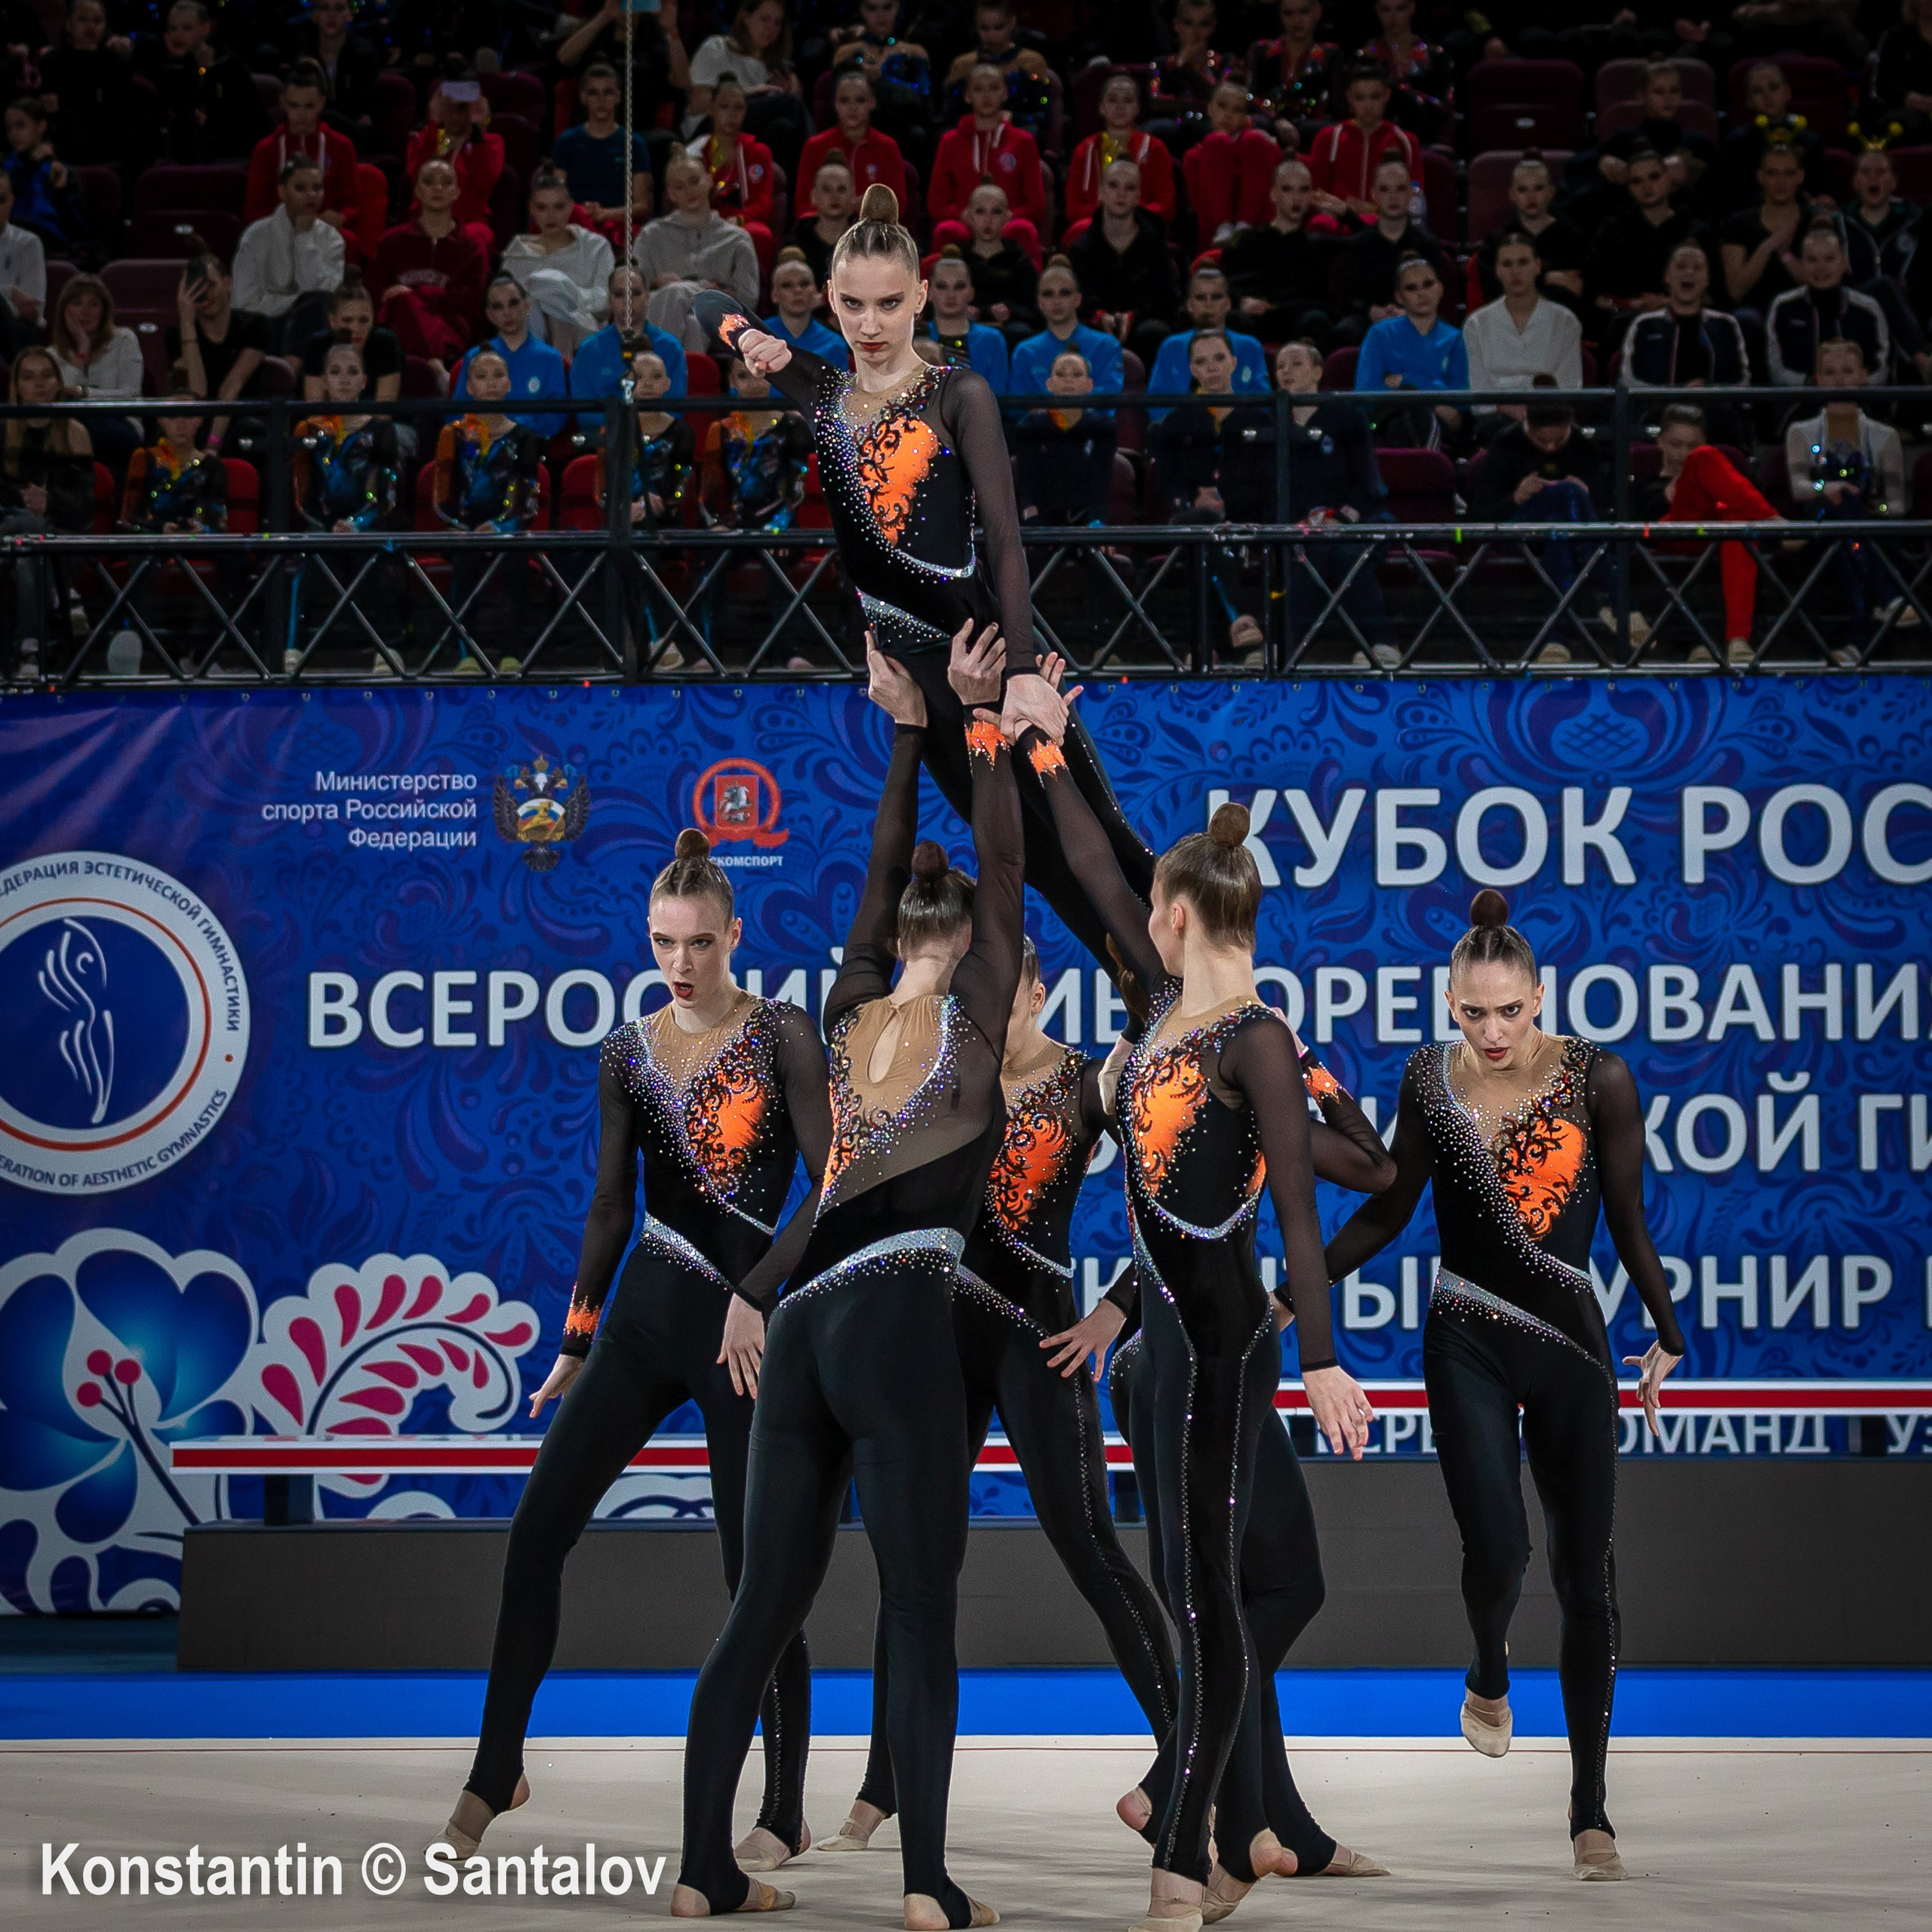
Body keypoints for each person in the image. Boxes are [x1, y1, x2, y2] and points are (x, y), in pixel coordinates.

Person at [671, 629, 1024, 1928]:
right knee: (920, 1610)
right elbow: (1003, 863)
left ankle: (705, 1872)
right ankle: (928, 1885)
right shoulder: (982, 1017)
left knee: (761, 1610)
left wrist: (908, 732)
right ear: (990, 949)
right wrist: (980, 726)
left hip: (802, 1324)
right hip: (891, 1316)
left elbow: (885, 874)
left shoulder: (849, 1003)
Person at [1022, 760, 1374, 1932]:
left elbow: (1317, 1200)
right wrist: (1037, 746)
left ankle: (1211, 1844)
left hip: (1216, 1362)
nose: (1139, 928)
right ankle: (1192, 1857)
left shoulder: (1246, 1038)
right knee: (1212, 1605)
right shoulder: (1188, 1021)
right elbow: (1087, 865)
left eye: (1151, 915)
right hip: (1193, 1360)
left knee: (1229, 1597)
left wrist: (1314, 1351)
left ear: (1177, 917)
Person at [441, 832, 827, 1877]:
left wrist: (760, 1295)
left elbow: (833, 1190)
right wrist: (576, 1338)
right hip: (646, 1320)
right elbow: (613, 1202)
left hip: (743, 1340)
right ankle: (496, 1765)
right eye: (664, 942)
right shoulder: (627, 1051)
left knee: (760, 1577)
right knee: (538, 1530)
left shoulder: (786, 1033)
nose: (682, 962)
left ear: (735, 936)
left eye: (700, 942)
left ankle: (785, 1808)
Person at [1324, 891, 1688, 1882]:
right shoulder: (1428, 1084)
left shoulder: (1598, 1079)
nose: (1491, 1032)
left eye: (1509, 1012)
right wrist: (1295, 1292)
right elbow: (1389, 1213)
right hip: (1465, 1337)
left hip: (1571, 1345)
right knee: (1499, 1548)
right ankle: (1488, 1666)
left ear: (1539, 997)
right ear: (1450, 1004)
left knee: (1585, 1578)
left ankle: (1591, 1809)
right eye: (1472, 1013)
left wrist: (1668, 1330)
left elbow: (1626, 1218)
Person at [696, 186, 1152, 973]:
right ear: (831, 301)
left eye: (888, 304)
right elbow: (704, 301)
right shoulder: (822, 391)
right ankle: (1139, 994)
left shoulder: (957, 393)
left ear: (919, 300)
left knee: (1099, 836)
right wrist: (750, 340)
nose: (869, 326)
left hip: (978, 643)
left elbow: (1006, 542)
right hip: (919, 675)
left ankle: (1195, 991)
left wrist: (1017, 675)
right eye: (852, 305)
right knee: (1027, 857)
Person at [818, 922, 1177, 1860]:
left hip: (1037, 1337)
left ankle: (1188, 1754)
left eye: (997, 996)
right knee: (914, 1563)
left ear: (1037, 993)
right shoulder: (944, 1069)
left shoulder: (1087, 1081)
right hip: (938, 1336)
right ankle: (878, 1787)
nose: (975, 1012)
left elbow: (1173, 1201)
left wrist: (1116, 1311)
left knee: (1090, 1543)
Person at [1152, 330, 1279, 659]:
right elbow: (1166, 481)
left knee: (1204, 541)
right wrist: (1194, 501)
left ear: (1234, 363)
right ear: (1192, 369)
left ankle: (1207, 648)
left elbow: (1270, 481)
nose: (1211, 367)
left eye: (1219, 358)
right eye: (1201, 361)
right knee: (1198, 528)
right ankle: (1243, 626)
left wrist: (1227, 503)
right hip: (1190, 519)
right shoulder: (1176, 422)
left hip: (1247, 518)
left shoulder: (1261, 418)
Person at [1273, 336, 1394, 664]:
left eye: (1296, 364)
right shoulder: (1271, 422)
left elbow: (1367, 481)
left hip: (1355, 518)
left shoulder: (1347, 417)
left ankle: (1380, 645)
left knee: (1345, 550)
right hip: (1298, 524)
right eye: (1280, 366)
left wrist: (1340, 518)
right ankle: (1288, 650)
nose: (1286, 372)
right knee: (1308, 550)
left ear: (1317, 372)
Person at [1784, 337, 1907, 657]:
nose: (1839, 380)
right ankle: (1885, 597)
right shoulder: (1801, 431)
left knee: (1849, 539)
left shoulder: (1885, 436)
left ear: (1863, 376)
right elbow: (1799, 488)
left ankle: (1855, 646)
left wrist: (1876, 507)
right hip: (1820, 522)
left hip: (1864, 527)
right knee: (1840, 506)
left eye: (1848, 371)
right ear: (1819, 379)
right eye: (1830, 372)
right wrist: (1826, 488)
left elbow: (1896, 505)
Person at [1632, 401, 1780, 666]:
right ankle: (1775, 521)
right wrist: (1671, 491)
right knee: (1705, 461)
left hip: (1712, 533)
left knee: (1737, 522)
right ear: (1660, 442)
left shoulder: (1713, 472)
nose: (1683, 453)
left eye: (1692, 446)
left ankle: (1737, 640)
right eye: (1676, 444)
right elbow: (1638, 521)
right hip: (1668, 533)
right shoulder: (1644, 481)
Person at [431, 348, 548, 675]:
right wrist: (460, 526)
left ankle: (513, 652)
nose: (491, 383)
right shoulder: (452, 436)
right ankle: (466, 652)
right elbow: (443, 496)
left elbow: (528, 500)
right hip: (465, 526)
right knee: (465, 560)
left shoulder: (525, 437)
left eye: (498, 376)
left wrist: (499, 527)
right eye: (482, 377)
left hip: (509, 526)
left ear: (510, 383)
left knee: (515, 562)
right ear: (469, 387)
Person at [288, 340, 403, 671]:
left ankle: (386, 649)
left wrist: (356, 524)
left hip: (366, 526)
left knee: (372, 561)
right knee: (310, 560)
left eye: (352, 372)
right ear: (323, 380)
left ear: (364, 381)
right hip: (323, 528)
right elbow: (302, 493)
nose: (344, 379)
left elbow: (387, 494)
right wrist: (327, 527)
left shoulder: (382, 430)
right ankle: (292, 649)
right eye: (335, 372)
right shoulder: (307, 430)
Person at [0, 345, 92, 683]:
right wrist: (27, 499)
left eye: (46, 376)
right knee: (27, 536)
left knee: (29, 551)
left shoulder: (76, 433)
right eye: (28, 377)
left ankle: (29, 649)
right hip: (8, 529)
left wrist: (50, 504)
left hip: (63, 534)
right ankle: (61, 597)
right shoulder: (3, 428)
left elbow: (83, 507)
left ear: (57, 382)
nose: (38, 385)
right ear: (17, 386)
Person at [1621, 242, 1751, 446]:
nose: (1689, 272)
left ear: (1707, 279)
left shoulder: (1726, 325)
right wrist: (1677, 395)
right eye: (1681, 266)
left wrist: (1708, 391)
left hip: (1714, 417)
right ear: (1667, 276)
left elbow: (1742, 382)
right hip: (1658, 416)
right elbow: (1630, 382)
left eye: (1698, 268)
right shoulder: (1644, 325)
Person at [371, 156, 490, 377]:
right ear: (417, 190)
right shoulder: (392, 241)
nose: (438, 188)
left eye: (446, 182)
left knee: (403, 299)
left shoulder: (472, 246)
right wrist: (419, 300)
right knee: (400, 304)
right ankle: (436, 370)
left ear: (457, 192)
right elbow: (376, 292)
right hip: (396, 331)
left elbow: (470, 301)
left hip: (451, 333)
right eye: (429, 182)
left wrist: (416, 294)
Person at [634, 149, 761, 349]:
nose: (689, 191)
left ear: (709, 181)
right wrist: (656, 281)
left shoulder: (737, 238)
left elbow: (749, 299)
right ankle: (682, 376)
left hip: (719, 318)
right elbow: (634, 292)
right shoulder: (651, 235)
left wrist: (716, 293)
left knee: (684, 301)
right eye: (679, 186)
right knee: (692, 324)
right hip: (663, 310)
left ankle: (658, 369)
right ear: (671, 194)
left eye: (694, 181)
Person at [1584, 149, 1713, 343]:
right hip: (1625, 315)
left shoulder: (1695, 230)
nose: (1647, 187)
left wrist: (1669, 302)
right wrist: (1630, 304)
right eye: (1636, 181)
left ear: (1670, 179)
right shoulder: (1612, 229)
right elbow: (1593, 289)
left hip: (1685, 313)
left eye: (1654, 177)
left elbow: (1716, 293)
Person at [1066, 159, 1181, 372]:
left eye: (1130, 188)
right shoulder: (1081, 249)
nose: (1121, 194)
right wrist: (1099, 316)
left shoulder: (1155, 242)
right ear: (1100, 191)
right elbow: (1076, 298)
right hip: (1097, 325)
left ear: (1138, 196)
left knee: (1154, 332)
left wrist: (1134, 316)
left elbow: (1167, 298)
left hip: (1144, 327)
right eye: (1113, 185)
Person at [929, 63, 1045, 261]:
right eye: (978, 89)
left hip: (1008, 221)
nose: (986, 96)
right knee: (946, 231)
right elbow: (935, 203)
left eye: (994, 88)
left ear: (1005, 93)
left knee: (1023, 229)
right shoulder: (951, 142)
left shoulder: (1023, 141)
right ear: (968, 96)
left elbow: (1036, 205)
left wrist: (1005, 216)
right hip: (964, 222)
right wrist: (963, 215)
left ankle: (1033, 289)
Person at [554, 5, 691, 172]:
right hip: (592, 129)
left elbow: (682, 82)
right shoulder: (595, 34)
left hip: (639, 135)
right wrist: (604, 15)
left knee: (670, 144)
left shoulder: (654, 40)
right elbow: (564, 58)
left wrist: (671, 31)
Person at [1463, 232, 1585, 417]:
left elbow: (1570, 389)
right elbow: (1478, 396)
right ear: (1497, 270)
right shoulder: (1476, 324)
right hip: (1496, 420)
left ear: (1537, 266)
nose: (1515, 272)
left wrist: (1536, 415)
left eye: (1523, 262)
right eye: (1507, 264)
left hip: (1550, 417)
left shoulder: (1565, 322)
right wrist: (1513, 411)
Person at [685, 0, 807, 180]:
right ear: (746, 17)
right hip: (710, 127)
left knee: (784, 128)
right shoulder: (718, 47)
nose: (771, 28)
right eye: (765, 19)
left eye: (777, 23)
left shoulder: (774, 67)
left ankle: (779, 198)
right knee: (791, 103)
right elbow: (699, 103)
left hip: (751, 133)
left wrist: (791, 90)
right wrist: (749, 93)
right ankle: (812, 178)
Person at [134, 0, 267, 163]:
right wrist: (180, 64)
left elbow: (251, 120)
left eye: (186, 28)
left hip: (230, 149)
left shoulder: (231, 67)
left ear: (205, 29)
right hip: (185, 152)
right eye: (173, 29)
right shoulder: (166, 67)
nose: (178, 35)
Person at [232, 157, 344, 352]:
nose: (311, 195)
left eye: (317, 188)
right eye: (300, 188)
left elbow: (325, 296)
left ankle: (295, 369)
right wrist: (294, 306)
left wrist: (304, 239)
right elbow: (243, 300)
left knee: (319, 305)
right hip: (264, 324)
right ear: (282, 191)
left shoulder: (331, 238)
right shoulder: (256, 234)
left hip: (312, 326)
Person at [1222, 158, 1334, 347]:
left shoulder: (1316, 246)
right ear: (1273, 194)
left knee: (1317, 321)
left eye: (1304, 190)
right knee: (1233, 320)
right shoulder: (1248, 240)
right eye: (1287, 189)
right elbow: (1223, 285)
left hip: (1296, 321)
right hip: (1253, 319)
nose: (1296, 198)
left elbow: (1323, 301)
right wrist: (1241, 301)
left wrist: (1346, 212)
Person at [242, 59, 360, 237]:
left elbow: (352, 203)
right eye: (294, 105)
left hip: (326, 233)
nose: (301, 115)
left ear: (321, 103)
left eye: (309, 106)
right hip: (278, 233)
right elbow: (254, 207)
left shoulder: (341, 146)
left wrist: (340, 217)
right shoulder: (266, 149)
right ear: (283, 102)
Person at [503, 168, 615, 356]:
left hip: (583, 331)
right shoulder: (517, 253)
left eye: (558, 207)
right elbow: (506, 304)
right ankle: (554, 362)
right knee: (532, 301)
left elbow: (605, 299)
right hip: (529, 329)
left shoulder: (595, 247)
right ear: (531, 209)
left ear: (571, 207)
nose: (550, 215)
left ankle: (556, 361)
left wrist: (562, 292)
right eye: (542, 208)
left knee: (546, 283)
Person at [1355, 254, 1465, 443]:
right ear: (1399, 297)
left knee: (1417, 417)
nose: (1421, 293)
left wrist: (1406, 381)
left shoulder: (1455, 339)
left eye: (1428, 284)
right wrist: (1433, 395)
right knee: (1402, 422)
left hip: (1439, 426)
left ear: (1440, 289)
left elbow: (1458, 408)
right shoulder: (1379, 334)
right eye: (1411, 288)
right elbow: (1367, 394)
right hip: (1383, 422)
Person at [1340, 155, 1451, 339]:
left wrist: (1409, 312)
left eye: (1400, 189)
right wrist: (1372, 311)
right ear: (1374, 194)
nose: (1393, 197)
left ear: (1410, 193)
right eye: (1384, 189)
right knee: (1345, 332)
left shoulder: (1427, 245)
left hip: (1418, 317)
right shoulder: (1358, 245)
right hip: (1369, 320)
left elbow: (1437, 295)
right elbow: (1347, 298)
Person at [1767, 222, 1891, 384]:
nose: (1821, 267)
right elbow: (1776, 370)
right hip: (1801, 400)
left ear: (1844, 262)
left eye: (1830, 259)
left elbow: (1881, 369)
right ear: (1802, 264)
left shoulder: (1868, 307)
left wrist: (1850, 386)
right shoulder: (1783, 306)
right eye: (1812, 260)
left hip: (1859, 399)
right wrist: (1812, 383)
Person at [173, 244, 267, 452]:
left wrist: (212, 445)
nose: (205, 295)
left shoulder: (254, 326)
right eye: (196, 288)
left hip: (240, 415)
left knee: (248, 430)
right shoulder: (175, 334)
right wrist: (187, 323)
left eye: (211, 285)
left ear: (227, 284)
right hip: (197, 418)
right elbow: (198, 392)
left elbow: (232, 387)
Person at [454, 275, 571, 442]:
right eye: (498, 307)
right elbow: (458, 411)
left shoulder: (550, 358)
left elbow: (556, 416)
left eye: (513, 303)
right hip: (480, 446)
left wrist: (513, 428)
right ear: (490, 315)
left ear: (527, 306)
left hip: (530, 447)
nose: (507, 312)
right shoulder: (474, 356)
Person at [549, 60, 653, 244]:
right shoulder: (566, 142)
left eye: (608, 92)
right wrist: (582, 212)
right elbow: (558, 196)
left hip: (617, 226)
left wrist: (604, 214)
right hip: (574, 225)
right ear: (583, 97)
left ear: (618, 96)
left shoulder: (635, 144)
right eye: (593, 93)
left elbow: (641, 205)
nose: (601, 100)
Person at [1469, 155, 1586, 316]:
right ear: (1512, 195)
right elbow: (1496, 290)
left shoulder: (1573, 238)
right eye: (1523, 189)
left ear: (1551, 192)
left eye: (1538, 188)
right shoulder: (1497, 243)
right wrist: (1548, 278)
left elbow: (1575, 292)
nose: (1531, 196)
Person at [1064, 70, 1177, 235]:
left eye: (1128, 100)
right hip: (1094, 227)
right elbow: (1073, 209)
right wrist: (1102, 210)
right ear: (1102, 107)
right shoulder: (1085, 150)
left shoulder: (1155, 148)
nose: (1120, 106)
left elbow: (1166, 206)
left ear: (1138, 107)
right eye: (1112, 100)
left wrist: (1132, 210)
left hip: (1141, 226)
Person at [405, 72, 503, 259]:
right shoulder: (423, 140)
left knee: (474, 239)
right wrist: (435, 124)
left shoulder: (490, 143)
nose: (458, 112)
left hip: (470, 223)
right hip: (425, 221)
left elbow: (483, 183)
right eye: (449, 106)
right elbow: (422, 178)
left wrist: (477, 131)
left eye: (464, 106)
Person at [49, 272, 141, 471]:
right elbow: (59, 400)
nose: (85, 311)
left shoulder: (124, 340)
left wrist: (84, 393)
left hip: (122, 425)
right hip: (71, 430)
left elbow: (130, 394)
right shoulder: (52, 355)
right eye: (77, 303)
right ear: (64, 310)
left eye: (94, 304)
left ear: (104, 310)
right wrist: (83, 349)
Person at [1013, 353, 1117, 528]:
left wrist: (1096, 524)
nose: (1069, 380)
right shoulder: (1029, 426)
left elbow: (1101, 484)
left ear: (1089, 385)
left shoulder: (1104, 427)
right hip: (1044, 525)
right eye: (1061, 374)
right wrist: (1034, 525)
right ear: (1049, 384)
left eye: (1076, 375)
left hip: (1087, 524)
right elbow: (1029, 486)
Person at [1306, 65, 1420, 223]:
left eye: (1375, 97)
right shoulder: (1329, 138)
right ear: (1349, 98)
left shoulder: (1405, 141)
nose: (1368, 105)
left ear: (1387, 96)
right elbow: (1313, 192)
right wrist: (1343, 209)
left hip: (1386, 222)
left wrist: (1372, 209)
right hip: (1337, 220)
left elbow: (1415, 196)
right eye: (1360, 98)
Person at [1146, 267, 1269, 413]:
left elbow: (1264, 403)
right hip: (1182, 431)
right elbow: (1156, 403)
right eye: (1200, 298)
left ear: (1228, 304)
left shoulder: (1250, 347)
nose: (1208, 304)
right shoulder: (1171, 347)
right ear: (1189, 305)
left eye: (1216, 297)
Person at [571, 263, 690, 411]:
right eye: (620, 294)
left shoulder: (671, 347)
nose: (628, 302)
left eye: (636, 293)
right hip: (604, 432)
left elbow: (675, 407)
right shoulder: (588, 350)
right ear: (609, 300)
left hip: (657, 432)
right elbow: (584, 411)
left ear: (647, 297)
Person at [38, 0, 139, 170]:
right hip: (65, 138)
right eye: (83, 20)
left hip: (107, 138)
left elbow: (119, 109)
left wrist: (67, 102)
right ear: (69, 25)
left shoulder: (118, 64)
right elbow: (50, 106)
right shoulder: (51, 62)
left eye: (98, 21)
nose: (91, 26)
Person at [1717, 62, 1828, 211]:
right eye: (1758, 91)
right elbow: (1730, 195)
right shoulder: (1738, 141)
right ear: (1749, 100)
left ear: (1787, 92)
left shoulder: (1810, 141)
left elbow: (1821, 191)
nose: (1767, 96)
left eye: (1774, 87)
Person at [1008, 258, 1124, 398]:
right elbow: (1018, 406)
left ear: (1078, 299)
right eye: (1048, 294)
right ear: (1039, 302)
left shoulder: (1107, 345)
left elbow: (1109, 396)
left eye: (1065, 293)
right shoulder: (1024, 352)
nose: (1056, 301)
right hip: (1040, 421)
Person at [1719, 144, 1810, 317]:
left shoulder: (1813, 221)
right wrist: (1769, 245)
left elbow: (1817, 284)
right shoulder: (1739, 223)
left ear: (1800, 176)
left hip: (1802, 309)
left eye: (1789, 173)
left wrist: (1785, 253)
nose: (1780, 182)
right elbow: (1735, 291)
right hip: (1754, 313)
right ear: (1760, 176)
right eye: (1772, 173)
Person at [700, 75, 778, 280]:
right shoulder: (698, 152)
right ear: (712, 109)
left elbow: (764, 202)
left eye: (739, 108)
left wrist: (740, 219)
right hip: (706, 221)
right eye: (724, 107)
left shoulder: (759, 152)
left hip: (744, 221)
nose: (732, 115)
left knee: (761, 236)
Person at [1185, 83, 1281, 244]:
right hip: (1214, 238)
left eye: (1237, 110)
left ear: (1245, 118)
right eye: (1222, 106)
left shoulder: (1260, 144)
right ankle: (1224, 228)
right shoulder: (1194, 156)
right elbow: (1199, 207)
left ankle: (1244, 228)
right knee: (1217, 142)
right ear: (1210, 108)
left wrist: (1268, 144)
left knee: (1253, 141)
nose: (1228, 115)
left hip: (1258, 235)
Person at [798, 67, 909, 208]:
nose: (852, 108)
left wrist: (869, 207)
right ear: (835, 104)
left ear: (872, 103)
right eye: (844, 100)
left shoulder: (888, 146)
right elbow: (803, 204)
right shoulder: (814, 146)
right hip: (828, 227)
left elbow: (899, 203)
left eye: (860, 100)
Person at [281, 0, 383, 146]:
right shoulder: (302, 55)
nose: (331, 15)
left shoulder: (365, 55)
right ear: (314, 15)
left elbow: (362, 106)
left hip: (352, 131)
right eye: (324, 8)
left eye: (339, 8)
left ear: (350, 15)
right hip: (309, 128)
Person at [1246, 0, 1341, 148]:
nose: (1297, 21)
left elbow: (1337, 108)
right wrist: (1276, 119)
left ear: (1317, 12)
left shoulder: (1328, 55)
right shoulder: (1262, 50)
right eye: (1289, 13)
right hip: (1269, 125)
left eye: (1304, 12)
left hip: (1311, 129)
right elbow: (1249, 97)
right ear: (1281, 16)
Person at [301, 274, 405, 409]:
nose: (355, 329)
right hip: (329, 426)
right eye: (347, 321)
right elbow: (315, 411)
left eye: (363, 320)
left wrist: (357, 428)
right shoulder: (317, 345)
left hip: (374, 427)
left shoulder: (386, 343)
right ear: (332, 321)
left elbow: (383, 413)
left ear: (372, 319)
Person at [957, 183, 1038, 341]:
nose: (988, 220)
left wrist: (1010, 311)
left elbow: (1035, 310)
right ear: (968, 216)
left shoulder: (1020, 260)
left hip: (1009, 332)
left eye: (996, 212)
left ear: (1007, 217)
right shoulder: (957, 258)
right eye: (980, 212)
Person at [2, 96, 80, 260]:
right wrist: (30, 165)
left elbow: (74, 226)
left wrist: (61, 190)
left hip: (46, 239)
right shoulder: (6, 168)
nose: (13, 134)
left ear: (41, 126)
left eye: (21, 126)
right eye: (9, 128)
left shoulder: (59, 170)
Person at [1358, 0, 1447, 141]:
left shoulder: (1433, 55)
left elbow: (1444, 105)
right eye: (1386, 10)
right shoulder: (1366, 57)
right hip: (1376, 133)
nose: (1393, 17)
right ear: (1378, 11)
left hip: (1425, 132)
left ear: (1411, 8)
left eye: (1400, 9)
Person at [923, 248, 1008, 385]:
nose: (951, 295)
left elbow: (998, 397)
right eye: (942, 286)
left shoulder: (992, 340)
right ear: (929, 292)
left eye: (959, 286)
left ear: (971, 293)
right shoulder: (915, 338)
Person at [764, 247, 851, 366]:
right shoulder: (758, 336)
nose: (797, 290)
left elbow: (842, 385)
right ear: (774, 295)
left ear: (815, 291)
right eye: (787, 285)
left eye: (804, 284)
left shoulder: (835, 344)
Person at [0, 168, 46, 359]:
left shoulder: (28, 243)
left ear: (11, 201)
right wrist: (9, 291)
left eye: (1, 200)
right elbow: (16, 300)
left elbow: (33, 311)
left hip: (18, 336)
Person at [792, 155, 857, 290]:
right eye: (827, 189)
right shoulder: (796, 242)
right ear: (813, 196)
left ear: (853, 194)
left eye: (842, 189)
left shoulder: (867, 240)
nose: (835, 196)